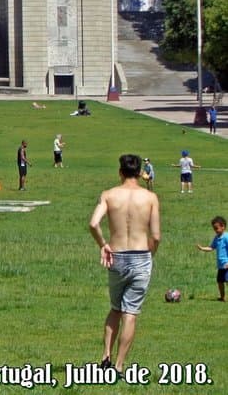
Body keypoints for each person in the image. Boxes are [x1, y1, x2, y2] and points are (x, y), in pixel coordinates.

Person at [88, 154, 160, 373]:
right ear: (139, 173)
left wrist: (103, 244)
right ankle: (118, 366)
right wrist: (150, 255)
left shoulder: (109, 195)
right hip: (140, 256)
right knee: (131, 313)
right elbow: (156, 237)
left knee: (115, 308)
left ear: (120, 172)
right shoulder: (150, 197)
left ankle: (105, 356)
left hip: (116, 256)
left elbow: (93, 223)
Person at [196, 216, 228, 301]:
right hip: (220, 266)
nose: (215, 230)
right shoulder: (217, 238)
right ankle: (222, 297)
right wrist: (202, 248)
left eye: (216, 228)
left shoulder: (226, 237)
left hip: (227, 264)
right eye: (214, 229)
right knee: (220, 281)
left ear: (223, 226)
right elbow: (211, 247)